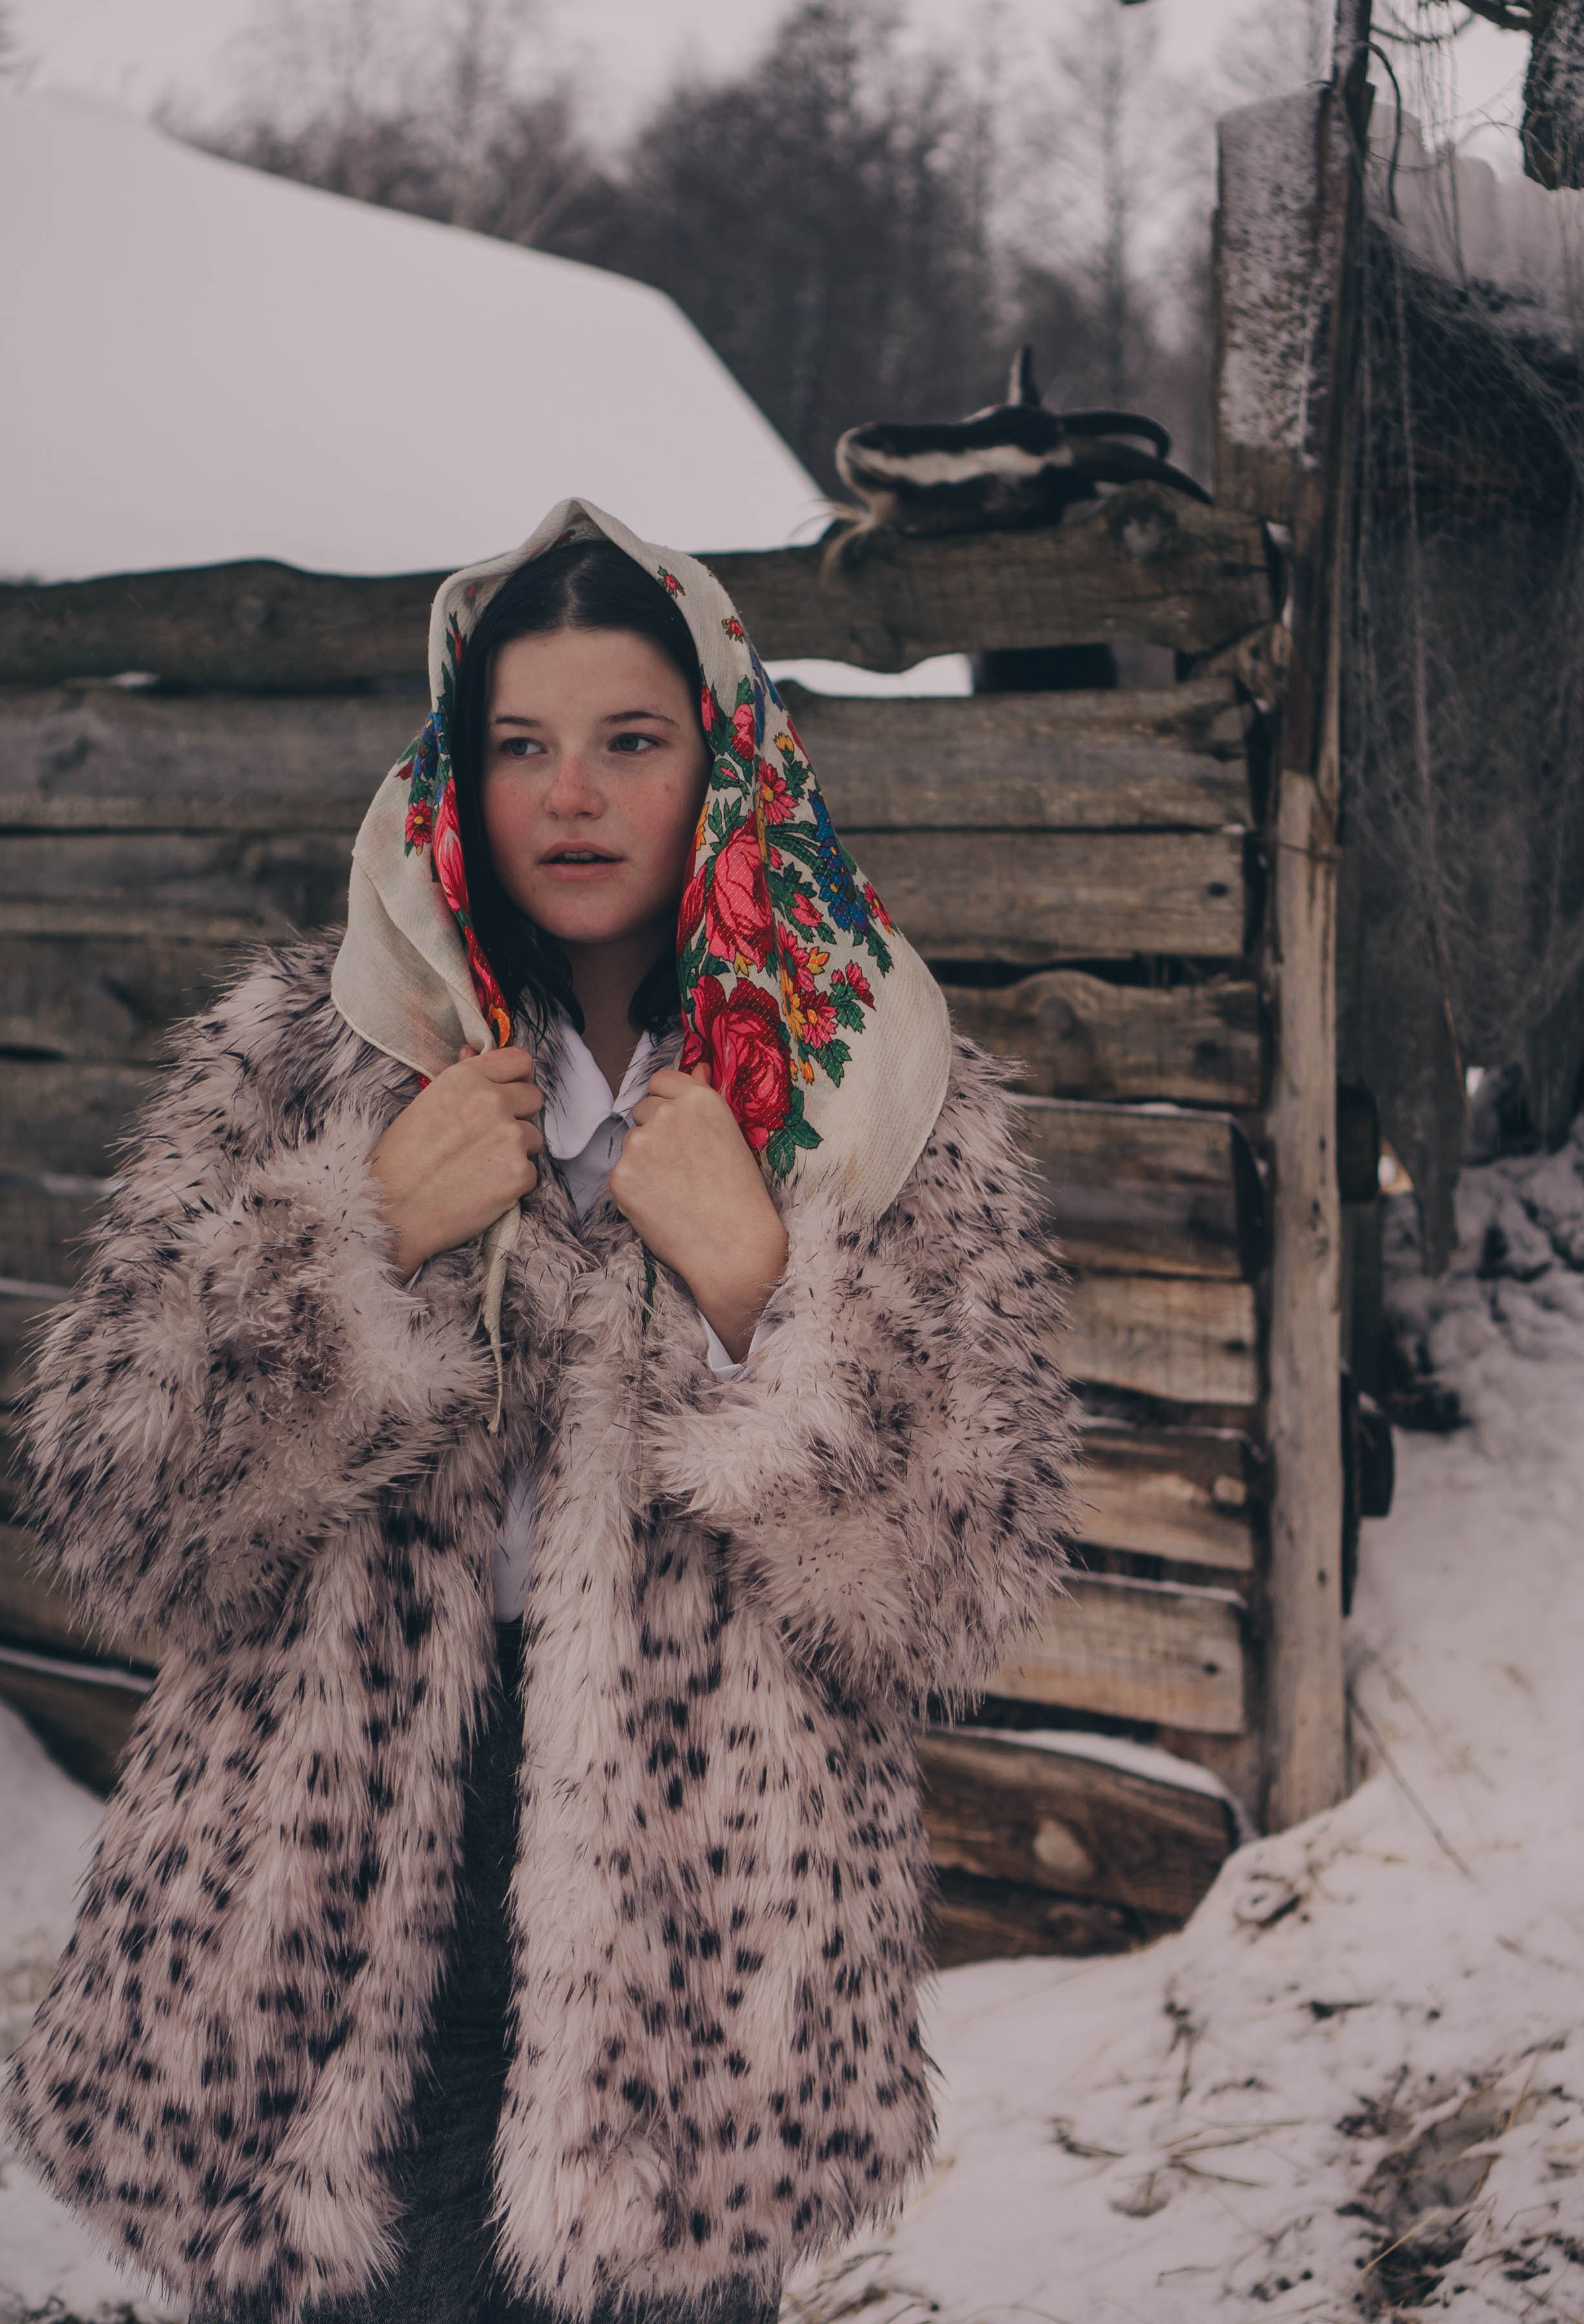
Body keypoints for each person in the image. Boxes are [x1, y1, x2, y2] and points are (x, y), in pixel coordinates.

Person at [3, 498, 1078, 2324]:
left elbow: (963, 1578)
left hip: (702, 1948)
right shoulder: (312, 1050)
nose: (570, 795)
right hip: (310, 1911)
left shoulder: (869, 1089)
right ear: (455, 771)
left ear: (724, 761)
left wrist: (758, 1288)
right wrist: (355, 1241)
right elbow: (114, 1499)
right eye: (519, 746)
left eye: (629, 742)